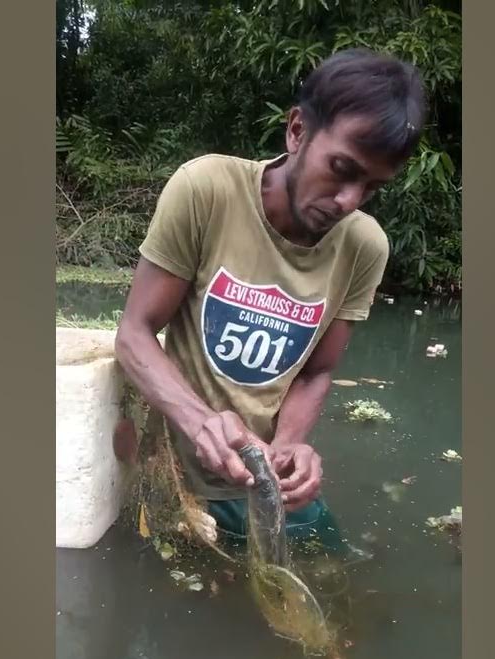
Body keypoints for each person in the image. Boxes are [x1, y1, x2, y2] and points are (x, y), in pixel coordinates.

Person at [114, 49, 427, 551]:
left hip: (261, 485)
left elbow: (316, 372)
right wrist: (203, 426)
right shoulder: (207, 190)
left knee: (335, 595)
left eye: (371, 186)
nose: (349, 199)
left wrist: (288, 451)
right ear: (297, 130)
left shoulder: (364, 246)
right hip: (176, 474)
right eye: (342, 169)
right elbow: (134, 334)